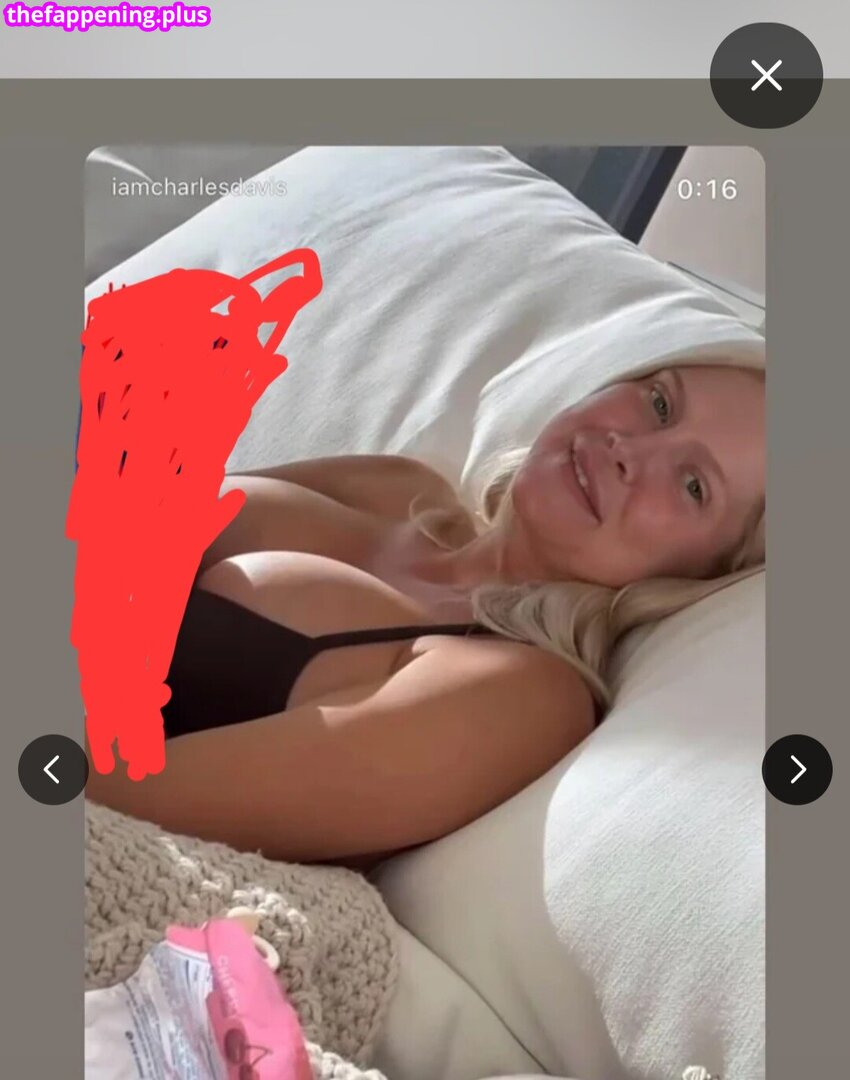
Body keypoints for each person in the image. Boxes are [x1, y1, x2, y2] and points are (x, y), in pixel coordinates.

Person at [86, 363, 765, 868]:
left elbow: (121, 802)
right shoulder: (396, 486)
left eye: (693, 485)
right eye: (659, 402)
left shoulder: (525, 695)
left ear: (705, 573)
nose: (630, 449)